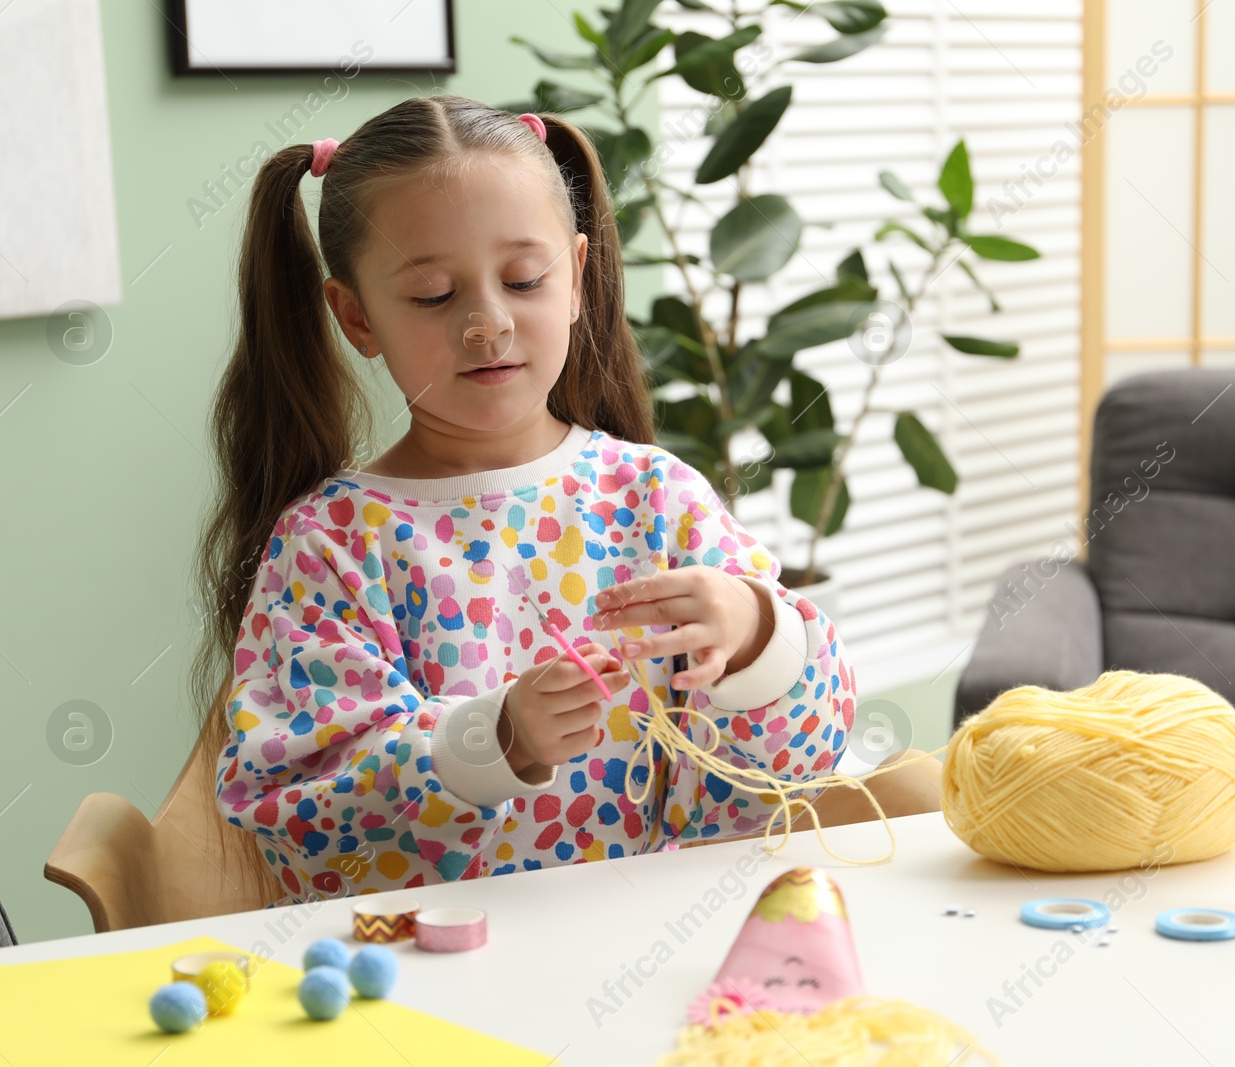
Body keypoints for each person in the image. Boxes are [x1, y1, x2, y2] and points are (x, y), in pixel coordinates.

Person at [190, 95, 853, 904]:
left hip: (648, 945)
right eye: (433, 294)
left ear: (576, 277)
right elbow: (303, 822)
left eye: (524, 279)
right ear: (357, 316)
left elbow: (783, 781)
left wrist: (754, 634)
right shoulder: (332, 544)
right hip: (429, 987)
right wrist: (492, 741)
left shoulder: (657, 500)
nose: (487, 323)